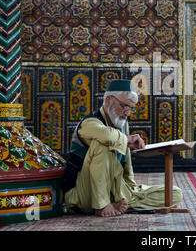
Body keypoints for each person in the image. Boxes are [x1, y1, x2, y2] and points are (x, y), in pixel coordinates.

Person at [62, 79, 182, 217]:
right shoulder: (89, 122)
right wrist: (127, 139)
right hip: (83, 191)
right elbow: (107, 136)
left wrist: (131, 189)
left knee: (174, 194)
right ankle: (101, 205)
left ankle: (122, 202)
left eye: (131, 108)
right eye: (124, 106)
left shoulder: (122, 125)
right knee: (105, 144)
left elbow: (126, 166)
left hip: (115, 187)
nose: (128, 113)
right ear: (108, 100)